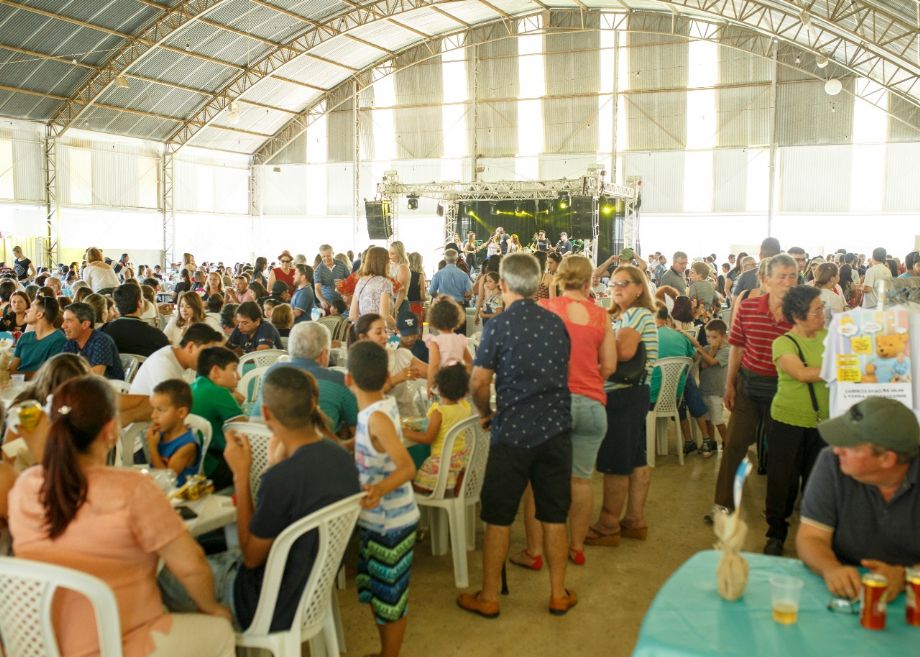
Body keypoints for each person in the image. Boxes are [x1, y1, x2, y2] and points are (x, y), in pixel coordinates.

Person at [8, 376, 236, 657]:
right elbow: (192, 566)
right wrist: (211, 608)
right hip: (118, 643)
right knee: (220, 629)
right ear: (111, 431)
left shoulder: (26, 485)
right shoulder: (132, 489)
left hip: (36, 643)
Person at [459, 253, 575, 618]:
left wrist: (485, 413)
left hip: (511, 432)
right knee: (554, 515)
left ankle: (489, 596)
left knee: (498, 517)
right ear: (537, 284)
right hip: (555, 429)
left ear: (503, 284)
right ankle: (558, 593)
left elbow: (479, 382)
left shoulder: (498, 326)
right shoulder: (556, 323)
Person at [512, 255, 617, 569]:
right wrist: (588, 380)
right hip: (592, 406)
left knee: (537, 483)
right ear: (588, 281)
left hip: (552, 405)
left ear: (558, 277)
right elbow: (609, 366)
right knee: (581, 481)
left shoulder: (546, 309)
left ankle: (535, 552)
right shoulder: (600, 315)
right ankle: (577, 546)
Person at [797, 397, 920, 603]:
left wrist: (905, 576)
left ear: (887, 459)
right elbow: (811, 537)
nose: (837, 449)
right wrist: (831, 568)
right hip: (848, 586)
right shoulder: (831, 462)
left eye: (850, 445)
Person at [709, 254, 797, 520]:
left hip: (784, 390)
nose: (788, 282)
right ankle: (723, 504)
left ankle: (778, 513)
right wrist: (729, 385)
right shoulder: (748, 308)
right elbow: (737, 348)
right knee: (734, 444)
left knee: (781, 452)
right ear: (766, 280)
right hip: (748, 385)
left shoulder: (799, 313)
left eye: (792, 276)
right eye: (782, 276)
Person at [347, 340, 419, 657]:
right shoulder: (379, 407)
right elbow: (370, 441)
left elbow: (406, 467)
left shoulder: (376, 418)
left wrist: (379, 489)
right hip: (377, 521)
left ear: (348, 379)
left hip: (392, 522)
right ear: (387, 378)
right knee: (376, 590)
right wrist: (345, 445)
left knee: (390, 598)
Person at [587, 264, 658, 547]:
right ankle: (634, 520)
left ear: (639, 288)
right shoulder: (633, 315)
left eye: (624, 283)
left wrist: (594, 346)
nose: (616, 288)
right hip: (635, 393)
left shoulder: (635, 314)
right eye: (613, 283)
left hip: (622, 394)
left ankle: (608, 525)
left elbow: (623, 352)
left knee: (615, 462)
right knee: (635, 458)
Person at [763, 285, 829, 556]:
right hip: (788, 422)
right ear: (798, 316)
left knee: (818, 482)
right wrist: (844, 367)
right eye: (816, 311)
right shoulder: (783, 343)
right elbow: (802, 374)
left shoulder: (831, 338)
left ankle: (816, 538)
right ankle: (776, 533)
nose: (822, 315)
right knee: (784, 482)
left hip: (823, 423)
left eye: (822, 309)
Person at [189, 346, 245, 490]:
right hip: (210, 468)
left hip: (190, 464)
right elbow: (247, 432)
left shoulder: (193, 386)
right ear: (215, 371)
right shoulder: (219, 392)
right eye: (234, 369)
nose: (238, 376)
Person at [129, 323, 223, 395]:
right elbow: (172, 407)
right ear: (190, 347)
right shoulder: (163, 363)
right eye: (206, 352)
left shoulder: (174, 357)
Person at [146, 379, 200, 486]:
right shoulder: (161, 434)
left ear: (181, 413)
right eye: (153, 409)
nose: (153, 416)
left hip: (176, 494)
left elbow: (166, 480)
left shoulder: (187, 446)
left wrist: (152, 447)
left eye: (160, 410)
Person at [102, 283, 171, 357]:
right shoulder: (155, 335)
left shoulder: (104, 332)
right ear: (140, 303)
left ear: (116, 305)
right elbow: (168, 358)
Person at [61, 302, 125, 379]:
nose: (63, 326)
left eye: (68, 321)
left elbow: (96, 377)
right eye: (64, 320)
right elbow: (60, 368)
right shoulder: (72, 342)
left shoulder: (102, 340)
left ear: (85, 324)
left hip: (107, 385)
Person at [695, 318, 730, 457]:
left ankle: (727, 442)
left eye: (714, 337)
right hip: (704, 389)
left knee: (717, 419)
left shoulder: (726, 351)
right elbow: (704, 365)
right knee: (708, 419)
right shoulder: (706, 349)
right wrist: (707, 350)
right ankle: (712, 442)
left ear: (723, 336)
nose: (710, 340)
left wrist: (710, 349)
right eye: (708, 337)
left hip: (716, 392)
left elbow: (712, 362)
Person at [424, 297, 472, 398]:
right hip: (459, 381)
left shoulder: (436, 342)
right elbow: (470, 363)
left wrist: (429, 386)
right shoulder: (460, 339)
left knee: (445, 406)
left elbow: (434, 365)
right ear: (457, 319)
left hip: (444, 382)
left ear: (434, 320)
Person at [10, 296, 66, 376]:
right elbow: (12, 369)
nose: (26, 310)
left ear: (39, 315)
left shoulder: (59, 340)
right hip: (17, 382)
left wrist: (16, 375)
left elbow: (49, 375)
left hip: (40, 383)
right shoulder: (24, 337)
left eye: (31, 308)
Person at [427, 249, 472, 328]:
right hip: (459, 307)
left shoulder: (438, 274)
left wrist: (440, 297)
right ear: (457, 259)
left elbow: (432, 291)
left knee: (444, 333)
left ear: (444, 259)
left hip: (444, 307)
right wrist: (464, 296)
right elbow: (469, 293)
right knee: (460, 333)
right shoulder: (464, 275)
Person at [350, 246, 394, 326]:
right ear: (384, 262)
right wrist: (399, 326)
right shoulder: (385, 283)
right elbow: (385, 316)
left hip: (363, 330)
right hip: (380, 330)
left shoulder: (361, 281)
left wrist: (366, 327)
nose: (390, 263)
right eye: (388, 260)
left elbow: (352, 316)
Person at [313, 244, 350, 313]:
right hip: (329, 303)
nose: (326, 259)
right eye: (323, 256)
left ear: (333, 254)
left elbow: (350, 280)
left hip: (343, 299)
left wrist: (344, 283)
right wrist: (322, 300)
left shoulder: (341, 264)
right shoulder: (318, 270)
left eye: (328, 256)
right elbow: (317, 289)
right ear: (321, 256)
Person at [406, 252, 427, 326]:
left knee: (408, 325)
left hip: (405, 304)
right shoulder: (420, 276)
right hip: (416, 304)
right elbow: (422, 295)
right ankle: (423, 333)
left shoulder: (404, 273)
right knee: (421, 324)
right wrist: (425, 300)